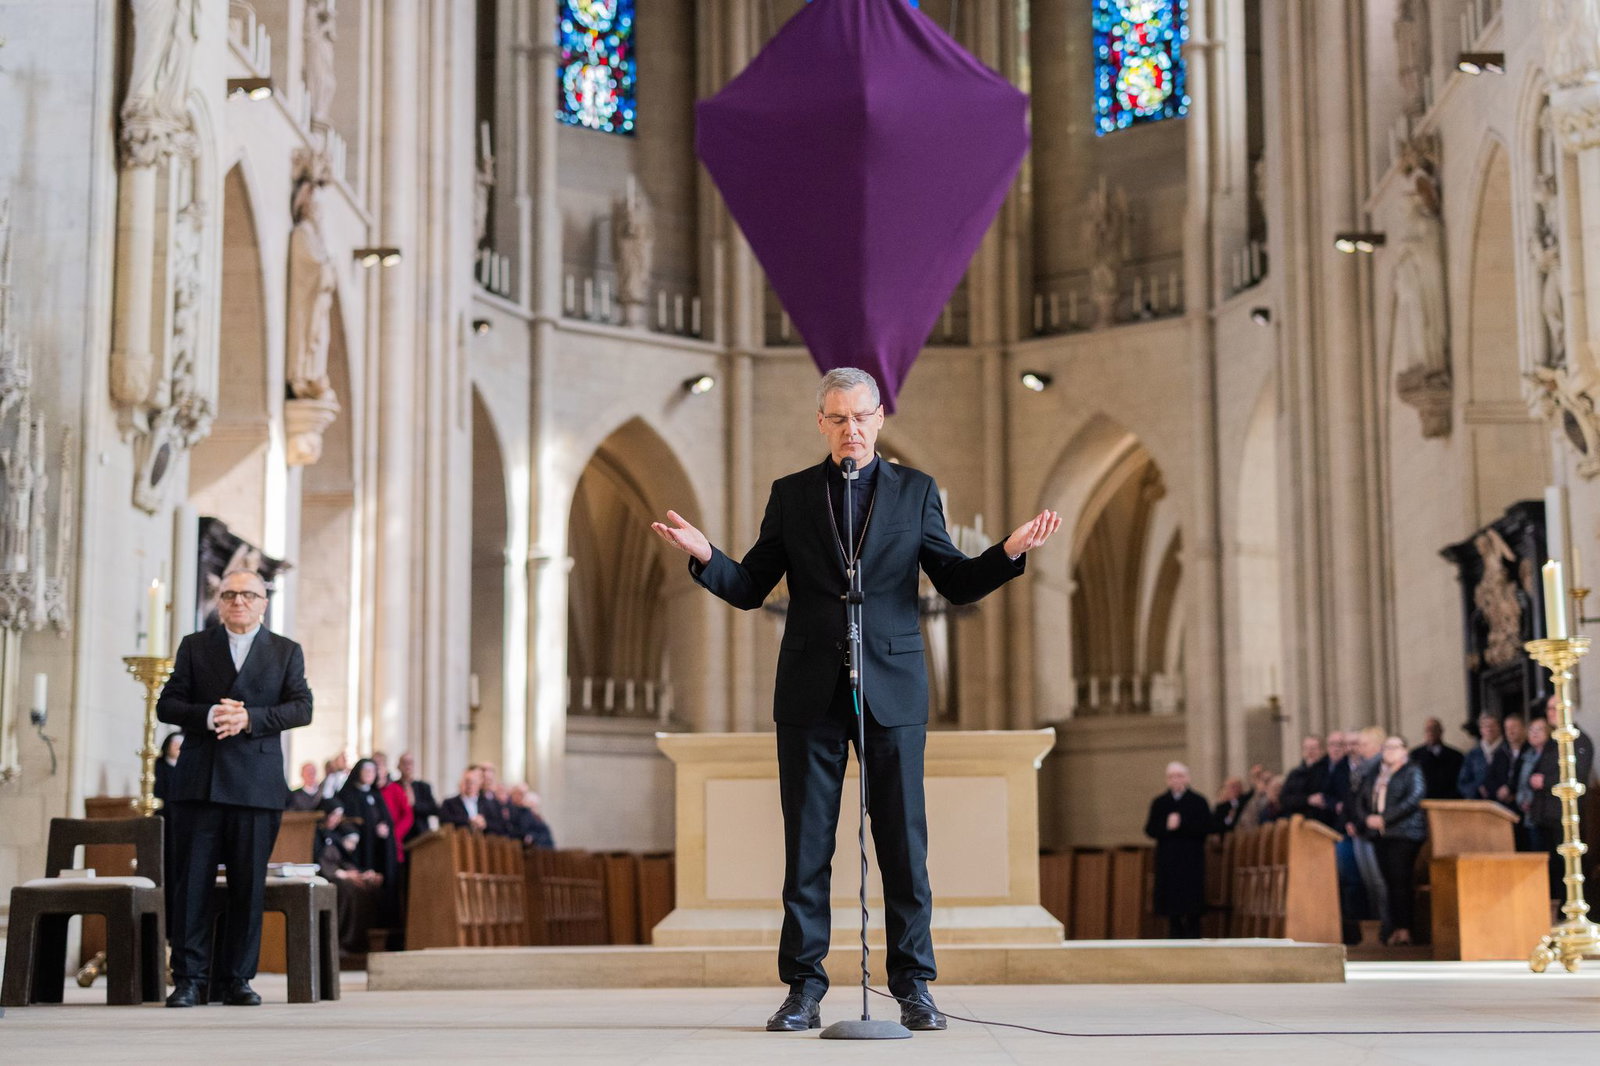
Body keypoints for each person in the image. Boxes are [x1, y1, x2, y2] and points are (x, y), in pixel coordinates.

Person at [651, 367, 1059, 1033]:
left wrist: (1008, 554)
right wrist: (706, 558)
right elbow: (753, 585)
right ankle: (804, 990)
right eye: (838, 419)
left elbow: (953, 581)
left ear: (879, 419)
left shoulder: (916, 492)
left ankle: (914, 988)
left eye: (862, 417)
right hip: (810, 688)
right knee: (807, 848)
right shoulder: (792, 495)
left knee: (903, 846)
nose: (851, 430)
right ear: (822, 423)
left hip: (892, 689)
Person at [155, 568, 313, 1008]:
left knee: (248, 886)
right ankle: (188, 978)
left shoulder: (285, 651)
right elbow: (167, 704)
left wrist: (250, 719)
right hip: (199, 783)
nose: (238, 601)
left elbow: (302, 708)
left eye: (247, 594)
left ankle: (236, 979)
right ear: (219, 602)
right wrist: (209, 715)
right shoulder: (195, 646)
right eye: (229, 595)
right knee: (193, 886)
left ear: (263, 602)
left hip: (256, 786)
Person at [1362, 735, 1426, 945]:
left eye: (1394, 747)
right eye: (1386, 747)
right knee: (1388, 883)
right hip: (1381, 835)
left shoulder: (1411, 771)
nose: (1389, 751)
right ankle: (1394, 928)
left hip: (1405, 833)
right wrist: (1366, 818)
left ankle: (1405, 928)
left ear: (1405, 751)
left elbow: (1415, 798)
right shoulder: (1376, 774)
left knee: (1401, 881)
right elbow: (1361, 798)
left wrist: (1385, 818)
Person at [1144, 762, 1213, 938]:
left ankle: (1194, 936)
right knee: (1172, 906)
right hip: (1169, 859)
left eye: (1180, 776)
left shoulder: (1198, 801)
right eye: (1172, 776)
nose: (1176, 780)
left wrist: (1182, 825)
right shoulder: (1160, 802)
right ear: (1167, 780)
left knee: (1192, 903)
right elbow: (1150, 829)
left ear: (1187, 778)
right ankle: (1174, 934)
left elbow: (1207, 828)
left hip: (1191, 859)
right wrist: (1166, 826)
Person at [1409, 717, 1464, 800]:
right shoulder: (1415, 755)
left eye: (1434, 729)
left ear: (1441, 731)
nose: (1431, 732)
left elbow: (1460, 781)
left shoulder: (1456, 756)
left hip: (1449, 801)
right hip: (1423, 802)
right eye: (1428, 729)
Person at [1457, 712, 1508, 800]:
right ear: (1480, 730)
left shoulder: (1508, 751)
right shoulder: (1473, 755)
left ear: (1499, 727)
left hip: (1504, 803)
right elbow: (1463, 783)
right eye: (1485, 726)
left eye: (1493, 725)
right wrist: (1477, 789)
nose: (1489, 729)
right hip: (1480, 804)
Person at [1280, 735, 1330, 821]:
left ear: (1321, 751)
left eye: (1313, 748)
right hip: (1298, 819)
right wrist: (1307, 800)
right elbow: (1284, 799)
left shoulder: (1328, 771)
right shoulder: (1295, 774)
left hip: (1320, 820)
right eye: (1307, 748)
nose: (1310, 752)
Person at [394, 751, 440, 842]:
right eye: (404, 763)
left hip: (420, 834)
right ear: (398, 766)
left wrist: (414, 805)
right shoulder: (393, 787)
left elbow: (434, 809)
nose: (407, 766)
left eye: (410, 763)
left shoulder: (424, 787)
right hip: (400, 834)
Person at [1493, 713, 1530, 814]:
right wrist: (1499, 791)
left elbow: (1526, 776)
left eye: (1514, 727)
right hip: (1501, 805)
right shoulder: (1500, 752)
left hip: (1523, 805)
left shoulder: (1530, 751)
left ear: (1523, 729)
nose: (1510, 732)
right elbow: (1490, 776)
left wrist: (1511, 790)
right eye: (1507, 728)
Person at [439, 766, 492, 831]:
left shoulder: (488, 803)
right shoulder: (449, 803)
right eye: (467, 781)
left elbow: (497, 824)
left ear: (480, 782)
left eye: (473, 782)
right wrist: (469, 820)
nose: (470, 785)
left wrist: (483, 823)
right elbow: (444, 821)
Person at [506, 783, 556, 849]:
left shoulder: (530, 814)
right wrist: (529, 836)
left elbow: (541, 829)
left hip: (537, 841)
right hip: (523, 843)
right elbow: (520, 829)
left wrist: (532, 835)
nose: (518, 797)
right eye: (517, 794)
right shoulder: (513, 811)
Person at [153, 731, 183, 804]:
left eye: (181, 744)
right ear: (167, 745)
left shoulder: (188, 768)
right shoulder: (158, 766)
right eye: (175, 744)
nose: (178, 747)